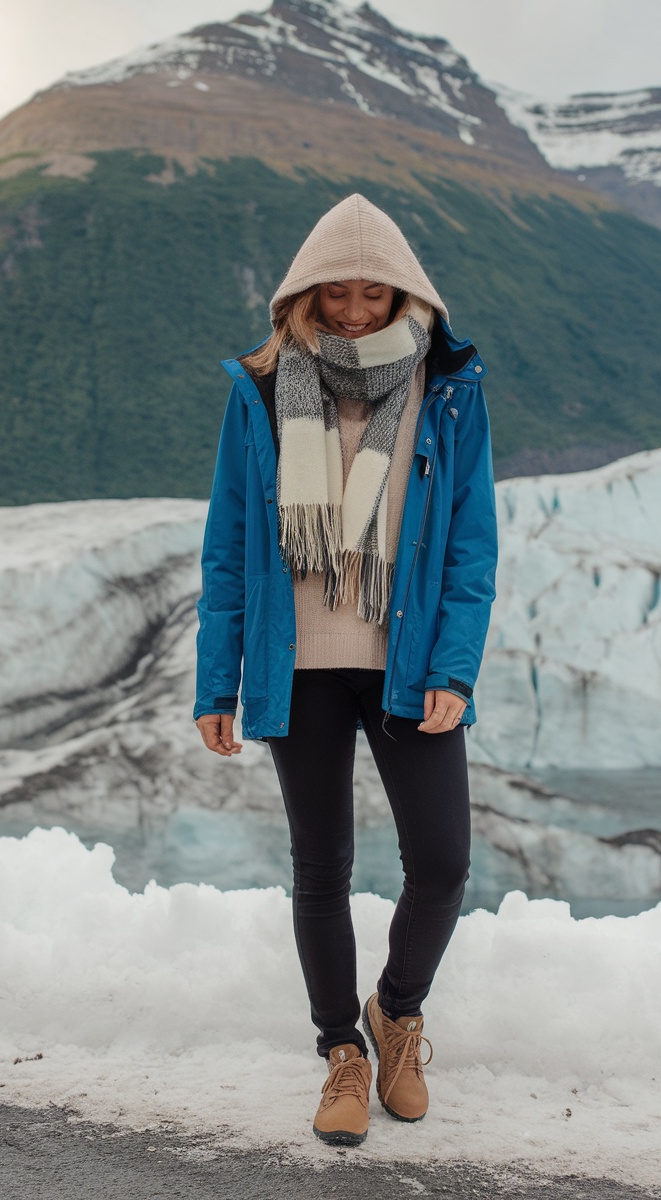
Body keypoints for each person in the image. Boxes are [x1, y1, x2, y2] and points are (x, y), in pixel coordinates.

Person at [194, 193, 498, 1147]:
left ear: (408, 292)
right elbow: (229, 546)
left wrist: (455, 667)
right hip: (300, 668)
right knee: (320, 868)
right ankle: (341, 1052)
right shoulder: (261, 387)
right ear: (305, 295)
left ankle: (396, 1013)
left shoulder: (448, 387)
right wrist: (217, 683)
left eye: (375, 293)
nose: (358, 312)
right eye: (339, 295)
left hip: (407, 665)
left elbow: (469, 549)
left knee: (442, 863)